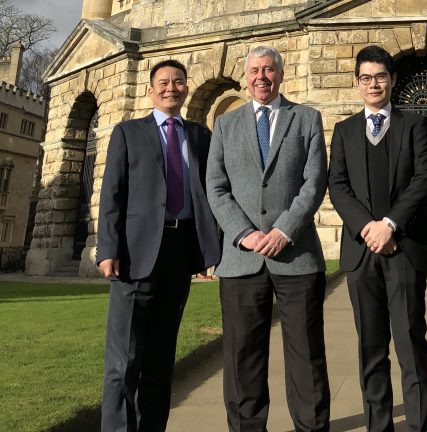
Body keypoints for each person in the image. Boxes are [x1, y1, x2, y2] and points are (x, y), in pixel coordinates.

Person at [206, 45, 330, 432]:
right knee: (242, 357)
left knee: (306, 355)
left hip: (297, 256)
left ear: (281, 73)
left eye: (269, 69)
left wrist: (283, 231)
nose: (262, 76)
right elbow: (216, 186)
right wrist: (244, 233)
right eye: (255, 70)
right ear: (246, 77)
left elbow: (314, 182)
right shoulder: (226, 125)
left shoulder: (307, 118)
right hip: (242, 258)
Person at [97, 59, 221, 432]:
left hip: (180, 251)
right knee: (124, 360)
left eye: (179, 82)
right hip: (134, 254)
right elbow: (111, 194)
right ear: (151, 90)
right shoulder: (127, 132)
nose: (172, 88)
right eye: (164, 82)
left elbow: (210, 195)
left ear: (186, 88)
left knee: (161, 358)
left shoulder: (201, 136)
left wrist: (208, 247)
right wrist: (107, 248)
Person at [328, 45, 427, 432]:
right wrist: (367, 228)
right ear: (357, 84)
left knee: (411, 343)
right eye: (365, 78)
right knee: (370, 348)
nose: (373, 84)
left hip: (405, 248)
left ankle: (419, 426)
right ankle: (379, 426)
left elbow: (423, 178)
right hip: (362, 253)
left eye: (380, 76)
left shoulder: (417, 125)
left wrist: (389, 224)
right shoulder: (343, 131)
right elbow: (338, 187)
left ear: (392, 80)